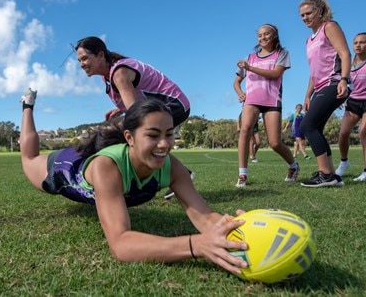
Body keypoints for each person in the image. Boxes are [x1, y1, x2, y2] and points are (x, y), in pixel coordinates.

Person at [19, 90, 248, 272]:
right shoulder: (106, 167)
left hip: (101, 166)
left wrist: (241, 229)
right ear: (130, 137)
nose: (164, 144)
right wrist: (196, 245)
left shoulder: (172, 166)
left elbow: (206, 218)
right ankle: (27, 106)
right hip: (63, 170)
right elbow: (121, 244)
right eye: (153, 135)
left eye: (169, 134)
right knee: (29, 158)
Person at [74, 36, 194, 199]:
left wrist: (117, 127)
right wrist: (119, 109)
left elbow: (135, 113)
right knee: (134, 136)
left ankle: (126, 185)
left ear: (100, 55)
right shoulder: (109, 76)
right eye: (79, 60)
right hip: (164, 105)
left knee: (131, 136)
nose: (82, 64)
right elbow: (136, 100)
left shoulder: (119, 73)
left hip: (174, 104)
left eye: (85, 58)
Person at [233, 24, 299, 188]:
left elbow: (276, 74)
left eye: (266, 34)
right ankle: (242, 174)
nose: (262, 38)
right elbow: (236, 81)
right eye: (260, 35)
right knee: (245, 130)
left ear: (274, 36)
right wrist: (240, 92)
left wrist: (250, 68)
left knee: (275, 142)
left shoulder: (282, 54)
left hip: (271, 101)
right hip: (252, 100)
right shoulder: (249, 57)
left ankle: (293, 165)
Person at [298, 0, 351, 187]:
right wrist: (307, 95)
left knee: (307, 126)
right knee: (315, 128)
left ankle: (326, 174)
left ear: (320, 11)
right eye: (302, 15)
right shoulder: (308, 40)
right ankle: (332, 175)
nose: (305, 17)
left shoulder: (329, 26)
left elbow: (345, 53)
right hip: (319, 86)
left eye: (309, 13)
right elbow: (314, 71)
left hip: (335, 81)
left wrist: (344, 79)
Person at [335, 32, 366, 182]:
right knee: (343, 134)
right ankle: (344, 162)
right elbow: (344, 83)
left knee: (363, 132)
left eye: (362, 42)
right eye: (356, 43)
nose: (358, 45)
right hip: (353, 102)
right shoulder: (348, 64)